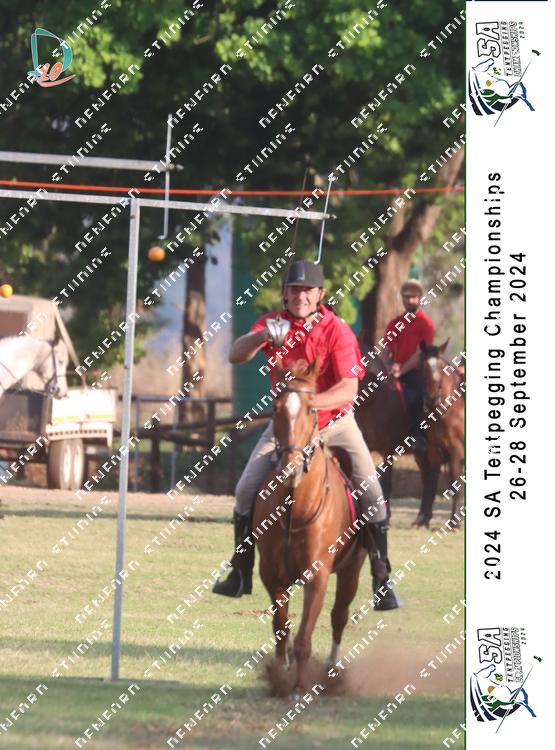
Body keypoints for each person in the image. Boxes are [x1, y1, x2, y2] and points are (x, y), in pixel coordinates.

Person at [213, 260, 400, 610]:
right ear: (285, 294)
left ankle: (381, 575)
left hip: (336, 423)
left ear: (320, 295)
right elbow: (235, 355)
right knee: (245, 490)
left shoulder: (338, 330)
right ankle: (240, 570)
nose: (301, 296)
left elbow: (348, 389)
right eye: (294, 289)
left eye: (307, 290)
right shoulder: (272, 324)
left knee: (371, 490)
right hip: (287, 426)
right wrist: (261, 337)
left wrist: (307, 403)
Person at [384, 279, 435, 456]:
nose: (410, 300)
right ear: (402, 299)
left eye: (414, 297)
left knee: (416, 396)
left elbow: (420, 353)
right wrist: (388, 366)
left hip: (417, 372)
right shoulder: (394, 323)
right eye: (407, 297)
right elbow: (385, 350)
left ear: (420, 298)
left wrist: (402, 370)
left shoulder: (426, 324)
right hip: (395, 371)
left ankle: (418, 436)